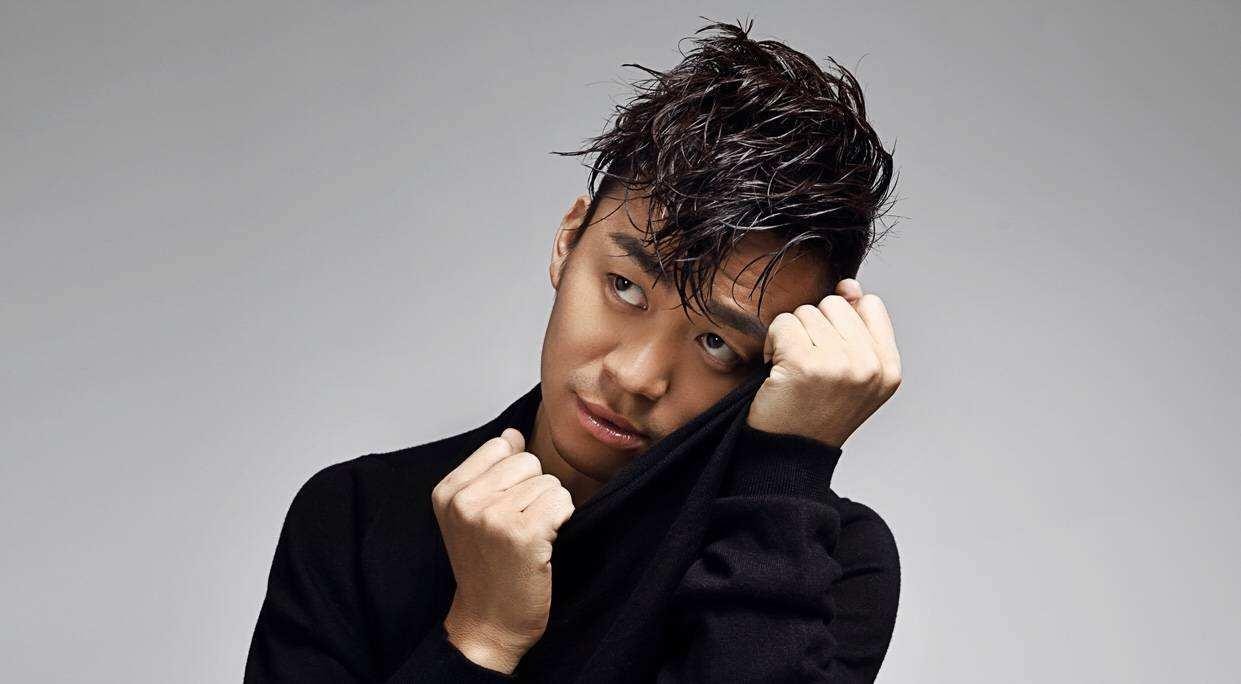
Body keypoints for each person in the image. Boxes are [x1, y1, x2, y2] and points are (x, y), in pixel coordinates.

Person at [245, 18, 902, 683]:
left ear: (783, 358)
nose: (635, 375)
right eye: (625, 288)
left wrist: (787, 466)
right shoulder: (356, 516)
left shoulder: (825, 562)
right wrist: (481, 635)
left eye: (716, 343)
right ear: (567, 242)